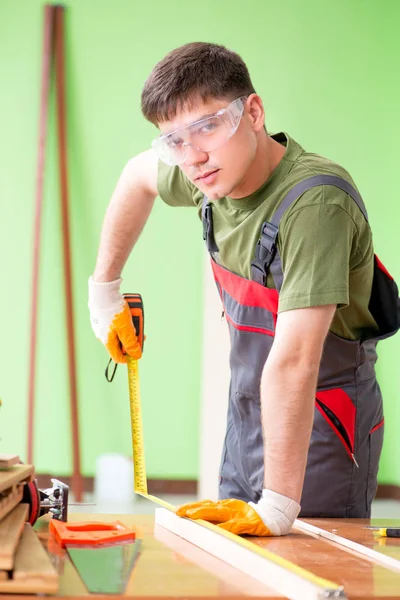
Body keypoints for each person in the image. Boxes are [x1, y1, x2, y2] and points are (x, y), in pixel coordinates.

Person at [88, 42, 400, 537]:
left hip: (321, 427)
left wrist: (277, 504)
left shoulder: (315, 203)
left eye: (206, 126)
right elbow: (135, 177)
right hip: (247, 416)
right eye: (173, 139)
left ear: (252, 112)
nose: (191, 157)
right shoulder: (208, 172)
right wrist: (103, 291)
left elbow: (296, 359)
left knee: (311, 574)